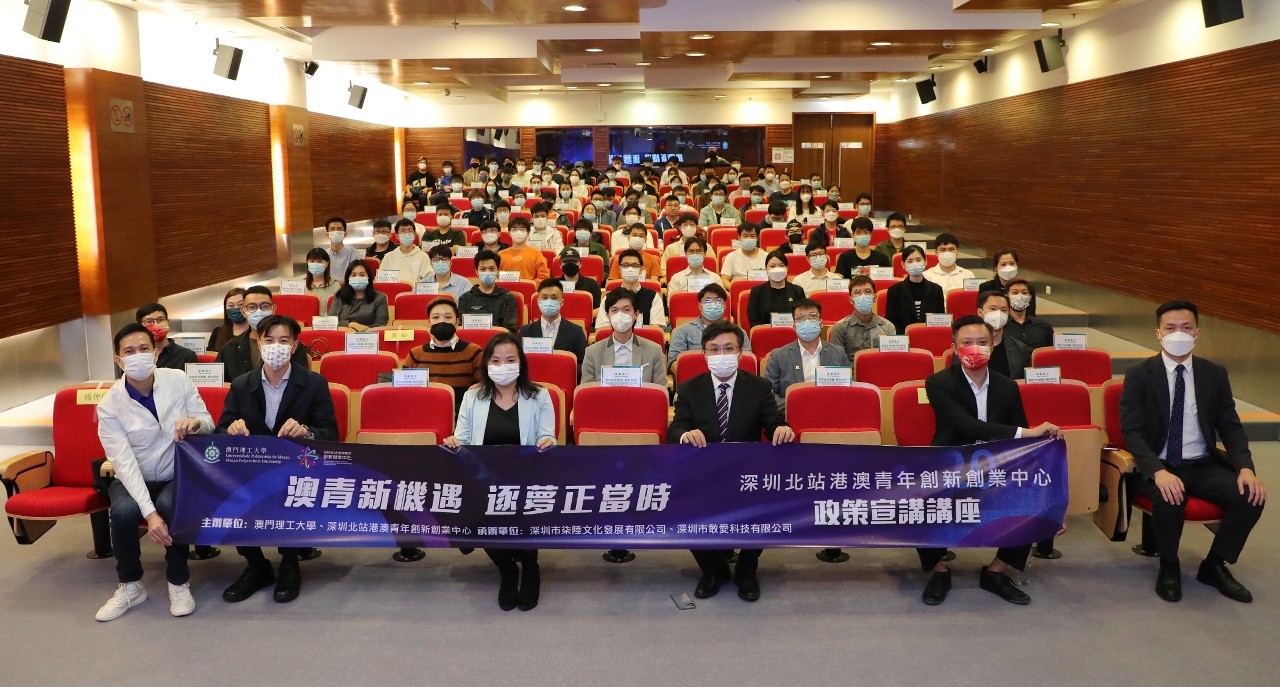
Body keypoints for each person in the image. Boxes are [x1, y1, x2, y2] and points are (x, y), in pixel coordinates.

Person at [1120, 300, 1265, 603]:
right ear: (1158, 333)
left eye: (1186, 328)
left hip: (1202, 463)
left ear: (1197, 333)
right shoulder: (1139, 374)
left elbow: (1231, 426)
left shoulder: (1214, 373)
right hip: (1158, 463)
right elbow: (1132, 432)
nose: (1179, 334)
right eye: (1170, 328)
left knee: (1250, 496)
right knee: (1170, 497)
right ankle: (1169, 566)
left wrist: (1245, 468)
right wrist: (1158, 472)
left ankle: (1214, 565)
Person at [918, 314, 1061, 606]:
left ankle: (996, 572)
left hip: (998, 469)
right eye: (967, 342)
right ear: (954, 348)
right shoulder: (938, 383)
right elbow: (967, 426)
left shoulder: (1007, 386)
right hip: (951, 466)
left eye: (982, 342)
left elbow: (1023, 442)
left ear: (993, 345)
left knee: (1032, 499)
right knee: (917, 500)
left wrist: (1053, 490)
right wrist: (1027, 432)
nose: (975, 348)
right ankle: (939, 571)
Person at [94, 323, 213, 621]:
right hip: (134, 477)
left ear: (156, 354)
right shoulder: (109, 406)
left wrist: (195, 423)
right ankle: (131, 585)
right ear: (119, 360)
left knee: (170, 506)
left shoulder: (178, 380)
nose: (138, 356)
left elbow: (209, 422)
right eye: (129, 352)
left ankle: (178, 582)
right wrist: (149, 515)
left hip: (176, 473)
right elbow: (124, 464)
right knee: (123, 513)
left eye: (144, 349)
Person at [217, 314, 338, 604]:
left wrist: (306, 431)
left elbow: (331, 433)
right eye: (269, 340)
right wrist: (231, 429)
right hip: (253, 469)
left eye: (283, 341)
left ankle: (290, 564)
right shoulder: (241, 384)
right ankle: (257, 565)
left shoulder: (314, 383)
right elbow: (221, 429)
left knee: (293, 490)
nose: (276, 347)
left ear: (294, 347)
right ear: (259, 344)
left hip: (297, 468)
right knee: (228, 491)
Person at [668, 321, 794, 601]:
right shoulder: (689, 389)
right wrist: (686, 434)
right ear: (704, 354)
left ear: (740, 352)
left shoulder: (759, 387)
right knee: (683, 505)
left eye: (728, 348)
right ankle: (713, 570)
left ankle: (747, 571)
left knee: (765, 505)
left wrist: (782, 430)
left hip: (746, 474)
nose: (721, 354)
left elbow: (773, 422)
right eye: (714, 349)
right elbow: (675, 429)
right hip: (704, 473)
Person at [443, 333, 555, 611]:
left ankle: (530, 566)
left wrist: (548, 442)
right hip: (484, 480)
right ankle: (507, 569)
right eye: (495, 360)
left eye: (510, 360)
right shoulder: (472, 396)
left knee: (526, 510)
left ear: (521, 363)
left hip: (526, 479)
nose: (502, 366)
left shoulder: (539, 395)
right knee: (474, 511)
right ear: (486, 364)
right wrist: (454, 442)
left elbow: (548, 436)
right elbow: (462, 439)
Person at [763, 298, 847, 414]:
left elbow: (848, 391)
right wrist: (798, 408)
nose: (807, 321)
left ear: (821, 323)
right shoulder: (778, 356)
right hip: (791, 416)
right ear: (794, 326)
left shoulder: (838, 353)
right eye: (801, 317)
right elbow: (768, 393)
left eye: (812, 316)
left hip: (830, 414)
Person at [215, 286, 309, 382]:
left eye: (265, 306)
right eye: (252, 307)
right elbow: (221, 386)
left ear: (273, 309)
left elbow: (302, 382)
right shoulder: (229, 349)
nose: (259, 311)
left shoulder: (291, 347)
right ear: (243, 311)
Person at [405, 297, 482, 413]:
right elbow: (406, 392)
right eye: (436, 317)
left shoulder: (474, 352)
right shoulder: (415, 354)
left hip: (462, 415)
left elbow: (481, 390)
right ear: (429, 322)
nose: (442, 321)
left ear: (457, 322)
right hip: (423, 413)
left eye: (448, 317)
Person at [582, 289, 666, 385]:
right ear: (608, 315)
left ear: (636, 315)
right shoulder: (592, 353)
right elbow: (587, 391)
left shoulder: (654, 351)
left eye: (626, 310)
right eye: (615, 310)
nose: (620, 315)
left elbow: (661, 390)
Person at [668, 283, 750, 372]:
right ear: (700, 306)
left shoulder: (739, 332)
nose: (713, 304)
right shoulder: (683, 331)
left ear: (725, 306)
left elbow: (746, 361)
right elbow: (673, 361)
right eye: (707, 301)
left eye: (718, 300)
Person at [959, 291, 1029, 380]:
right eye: (992, 309)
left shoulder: (1019, 347)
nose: (998, 314)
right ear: (980, 312)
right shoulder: (965, 346)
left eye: (1003, 310)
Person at [518, 278, 588, 366]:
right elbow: (519, 362)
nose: (549, 301)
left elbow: (583, 365)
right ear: (538, 302)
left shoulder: (576, 332)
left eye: (554, 298)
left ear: (561, 302)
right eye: (544, 298)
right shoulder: (525, 331)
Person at [829, 276, 896, 364]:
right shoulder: (840, 327)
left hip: (880, 370)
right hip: (851, 371)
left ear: (874, 298)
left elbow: (892, 360)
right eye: (857, 292)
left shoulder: (888, 327)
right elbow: (836, 362)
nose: (863, 296)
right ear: (851, 300)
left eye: (867, 291)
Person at [594, 250, 665, 330]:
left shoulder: (653, 297)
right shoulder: (608, 297)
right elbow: (602, 329)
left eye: (634, 265)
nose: (630, 269)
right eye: (625, 265)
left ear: (641, 270)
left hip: (644, 338)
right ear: (620, 270)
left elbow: (655, 329)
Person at [885, 245, 945, 334]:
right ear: (903, 265)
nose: (915, 264)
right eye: (910, 261)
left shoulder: (936, 290)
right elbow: (892, 324)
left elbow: (940, 321)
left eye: (918, 260)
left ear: (925, 262)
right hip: (904, 338)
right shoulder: (894, 291)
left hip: (930, 336)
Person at [458, 250, 519, 333]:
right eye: (483, 269)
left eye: (492, 269)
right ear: (477, 272)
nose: (487, 272)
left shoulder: (507, 297)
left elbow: (510, 330)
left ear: (497, 271)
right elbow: (461, 329)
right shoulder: (465, 298)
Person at [745, 249, 806, 329]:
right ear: (766, 268)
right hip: (765, 334)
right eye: (772, 266)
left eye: (781, 265)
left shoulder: (797, 291)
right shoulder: (757, 291)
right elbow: (753, 320)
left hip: (793, 332)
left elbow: (803, 317)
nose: (777, 269)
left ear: (787, 268)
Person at [327, 261, 389, 331]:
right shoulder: (339, 296)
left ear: (368, 277)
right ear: (348, 278)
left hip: (369, 335)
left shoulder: (380, 298)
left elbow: (380, 324)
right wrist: (350, 324)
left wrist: (361, 330)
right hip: (342, 334)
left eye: (362, 275)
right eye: (353, 275)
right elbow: (330, 322)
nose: (358, 278)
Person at [135, 302, 196, 371]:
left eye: (161, 320)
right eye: (149, 321)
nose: (156, 325)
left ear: (168, 322)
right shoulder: (135, 356)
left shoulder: (186, 356)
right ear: (140, 327)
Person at [978, 248, 1038, 316]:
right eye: (1003, 264)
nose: (1008, 268)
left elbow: (1031, 313)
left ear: (1017, 266)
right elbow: (982, 312)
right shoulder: (986, 287)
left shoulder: (1028, 288)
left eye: (1012, 264)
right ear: (996, 268)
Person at [1003, 279, 1054, 351]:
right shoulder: (1001, 326)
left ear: (1029, 298)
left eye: (1024, 293)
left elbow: (1051, 351)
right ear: (1006, 297)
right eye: (1015, 292)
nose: (1020, 296)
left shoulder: (1044, 325)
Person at [499, 216, 551, 281]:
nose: (518, 232)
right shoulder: (501, 254)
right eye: (514, 229)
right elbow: (496, 277)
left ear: (528, 233)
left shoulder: (536, 253)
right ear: (509, 232)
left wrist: (531, 285)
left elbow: (543, 277)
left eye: (522, 229)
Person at [379, 219, 431, 283]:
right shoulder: (388, 257)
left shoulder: (423, 256)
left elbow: (429, 281)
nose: (406, 234)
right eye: (403, 231)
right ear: (397, 236)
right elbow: (380, 280)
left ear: (414, 235)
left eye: (409, 231)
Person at [208, 287, 249, 353]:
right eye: (231, 306)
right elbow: (210, 355)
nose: (236, 308)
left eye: (240, 304)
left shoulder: (255, 333)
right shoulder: (218, 333)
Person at [323, 217, 359, 281]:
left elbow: (355, 275)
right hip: (329, 286)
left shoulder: (353, 253)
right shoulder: (323, 254)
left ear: (345, 234)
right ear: (327, 234)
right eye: (332, 229)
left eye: (339, 229)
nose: (336, 232)